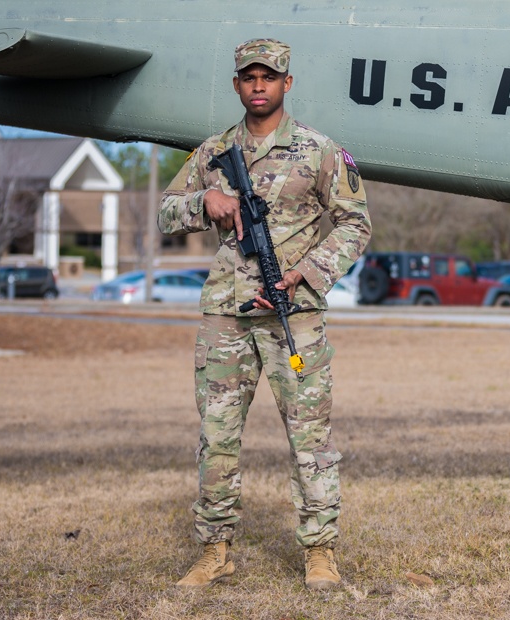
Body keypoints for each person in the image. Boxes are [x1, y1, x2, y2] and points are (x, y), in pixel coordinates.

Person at [158, 38, 371, 590]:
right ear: (237, 86)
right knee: (218, 436)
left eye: (269, 77)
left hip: (292, 316)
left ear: (286, 84)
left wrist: (308, 272)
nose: (259, 85)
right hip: (226, 319)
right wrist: (205, 201)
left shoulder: (320, 151)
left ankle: (320, 553)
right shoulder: (211, 153)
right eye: (249, 77)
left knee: (311, 439)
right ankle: (214, 551)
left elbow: (355, 224)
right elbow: (165, 213)